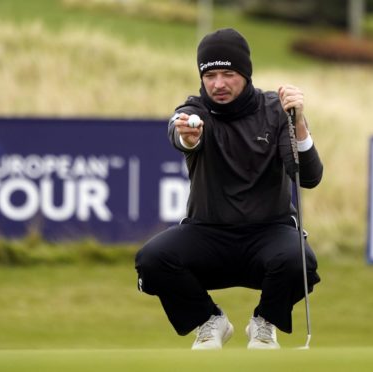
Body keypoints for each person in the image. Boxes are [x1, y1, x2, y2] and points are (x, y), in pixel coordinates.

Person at [135, 28, 323, 350]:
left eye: (228, 74)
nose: (218, 84)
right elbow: (182, 130)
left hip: (269, 233)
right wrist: (188, 137)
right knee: (152, 260)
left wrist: (300, 123)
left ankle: (265, 323)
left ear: (245, 74)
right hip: (208, 234)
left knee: (299, 260)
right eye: (210, 75)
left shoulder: (276, 111)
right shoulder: (195, 112)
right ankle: (209, 322)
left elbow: (309, 177)